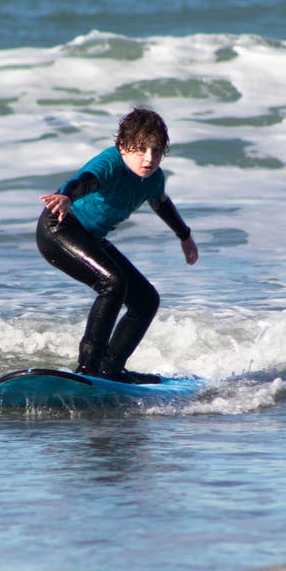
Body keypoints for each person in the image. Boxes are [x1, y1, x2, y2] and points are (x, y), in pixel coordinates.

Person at [36, 108, 199, 383]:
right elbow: (85, 181)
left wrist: (184, 236)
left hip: (91, 237)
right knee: (112, 283)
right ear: (123, 147)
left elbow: (160, 202)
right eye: (141, 150)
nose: (149, 158)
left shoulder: (153, 178)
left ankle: (110, 370)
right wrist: (65, 196)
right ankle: (87, 368)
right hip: (60, 228)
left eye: (156, 151)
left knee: (146, 301)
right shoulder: (110, 163)